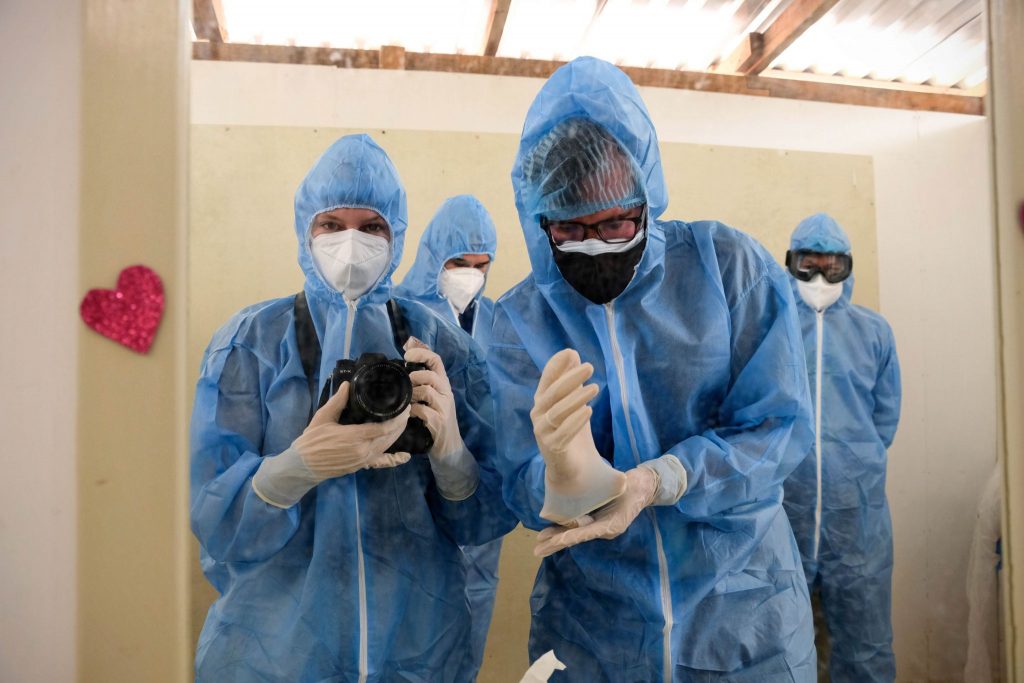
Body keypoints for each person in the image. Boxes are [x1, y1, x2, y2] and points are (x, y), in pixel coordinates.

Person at [487, 56, 817, 681]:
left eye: (616, 221)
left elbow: (777, 428)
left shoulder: (727, 270)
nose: (598, 243)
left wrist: (657, 480)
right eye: (572, 228)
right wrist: (557, 483)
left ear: (648, 197)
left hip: (743, 614)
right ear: (539, 224)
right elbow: (514, 477)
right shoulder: (517, 323)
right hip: (597, 629)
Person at [190, 134, 514, 682]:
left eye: (372, 227)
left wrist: (454, 460)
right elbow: (217, 522)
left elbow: (484, 519)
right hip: (276, 653)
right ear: (305, 230)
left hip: (418, 645)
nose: (351, 242)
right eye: (331, 225)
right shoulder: (250, 342)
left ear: (399, 234)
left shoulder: (440, 343)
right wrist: (291, 470)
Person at [781, 213, 901, 683]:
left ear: (847, 268)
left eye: (832, 266)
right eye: (808, 265)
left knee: (864, 645)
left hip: (857, 520)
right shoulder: (772, 329)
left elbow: (884, 420)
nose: (819, 278)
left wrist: (849, 464)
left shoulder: (874, 333)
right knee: (780, 644)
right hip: (782, 515)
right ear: (790, 263)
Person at [394, 194, 504, 677]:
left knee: (465, 634)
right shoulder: (396, 315)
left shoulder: (501, 321)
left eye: (481, 265)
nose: (470, 276)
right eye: (458, 262)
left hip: (477, 503)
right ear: (432, 256)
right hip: (407, 506)